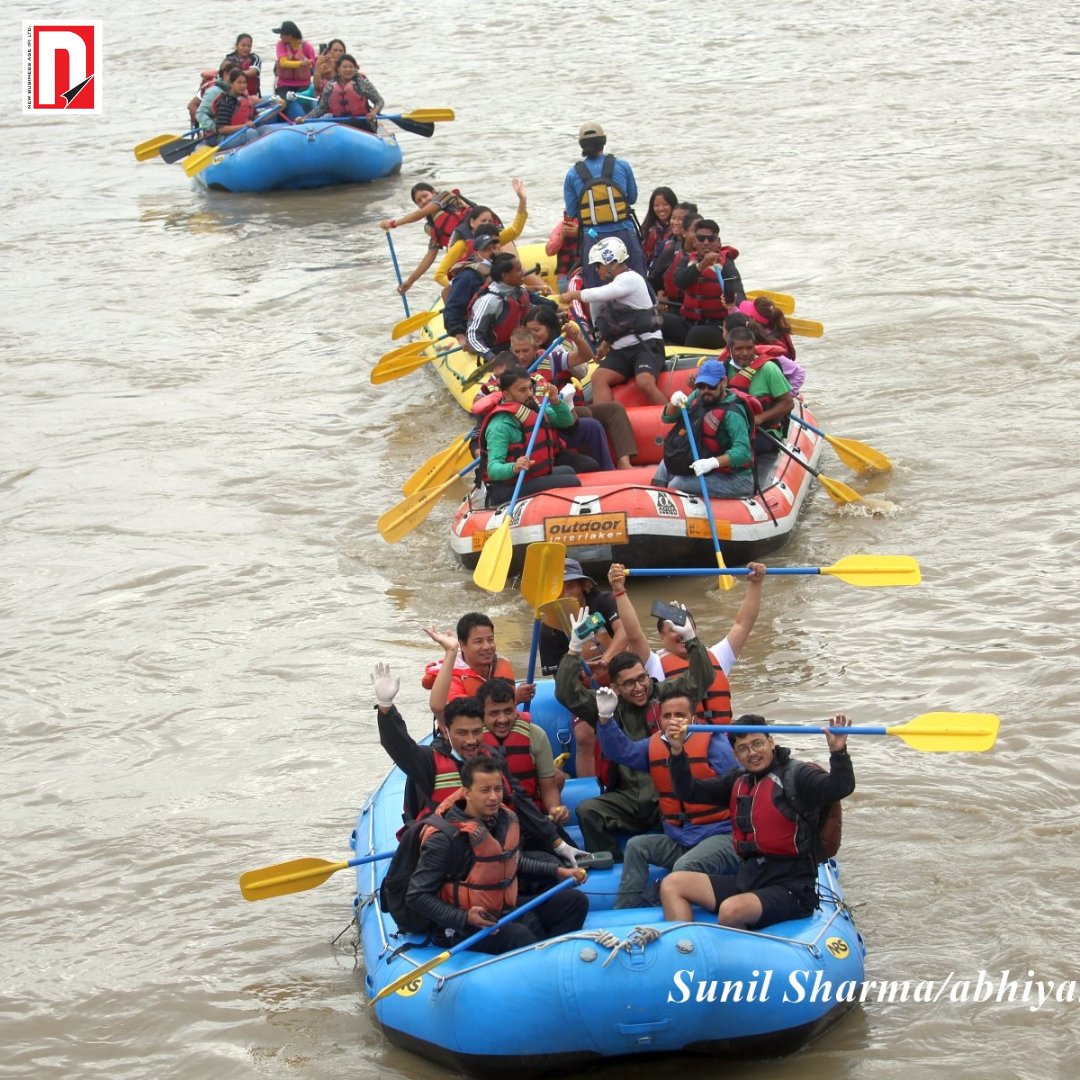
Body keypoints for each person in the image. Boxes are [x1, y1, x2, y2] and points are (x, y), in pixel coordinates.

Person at [373, 664, 586, 864]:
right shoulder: (428, 761)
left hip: (496, 843)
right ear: (446, 733)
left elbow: (520, 801)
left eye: (476, 732)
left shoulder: (491, 757)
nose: (471, 741)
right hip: (451, 852)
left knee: (556, 858)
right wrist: (386, 709)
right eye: (462, 733)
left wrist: (559, 845)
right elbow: (400, 747)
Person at [660, 714, 854, 930]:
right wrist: (677, 751)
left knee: (730, 910)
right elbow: (688, 791)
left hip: (792, 889)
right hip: (750, 881)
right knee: (672, 884)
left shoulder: (797, 776)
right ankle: (686, 952)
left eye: (757, 743)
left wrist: (838, 752)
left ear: (771, 742)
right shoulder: (738, 780)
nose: (752, 753)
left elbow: (840, 787)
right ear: (736, 754)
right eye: (743, 748)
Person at [554, 609, 715, 860]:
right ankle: (611, 864)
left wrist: (691, 638)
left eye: (642, 679)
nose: (639, 688)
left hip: (668, 795)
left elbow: (702, 677)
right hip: (628, 797)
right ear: (615, 687)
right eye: (629, 683)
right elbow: (567, 693)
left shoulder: (667, 695)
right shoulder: (606, 704)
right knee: (588, 810)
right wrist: (574, 650)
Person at [404, 757, 588, 954]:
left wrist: (559, 871)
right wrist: (464, 917)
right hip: (462, 924)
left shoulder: (500, 820)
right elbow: (417, 895)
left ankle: (551, 958)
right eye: (485, 790)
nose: (494, 797)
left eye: (498, 789)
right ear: (467, 793)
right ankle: (538, 960)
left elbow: (511, 861)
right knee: (521, 936)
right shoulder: (444, 839)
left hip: (503, 908)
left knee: (574, 902)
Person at [596, 683, 740, 907]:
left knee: (684, 866)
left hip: (721, 836)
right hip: (681, 837)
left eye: (680, 715)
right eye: (667, 715)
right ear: (660, 719)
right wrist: (605, 718)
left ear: (693, 717)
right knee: (636, 846)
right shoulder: (654, 745)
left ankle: (655, 903)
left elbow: (740, 789)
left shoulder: (715, 744)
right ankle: (624, 911)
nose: (673, 720)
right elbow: (622, 752)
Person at [523, 306, 637, 470]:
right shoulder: (519, 361)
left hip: (568, 406)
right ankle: (591, 464)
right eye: (528, 331)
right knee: (585, 416)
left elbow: (583, 368)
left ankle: (623, 462)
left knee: (614, 409)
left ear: (549, 328)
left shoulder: (556, 351)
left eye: (537, 330)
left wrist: (575, 338)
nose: (532, 335)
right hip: (553, 412)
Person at [560, 237, 666, 407]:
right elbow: (619, 324)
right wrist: (603, 346)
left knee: (644, 381)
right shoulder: (616, 288)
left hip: (646, 346)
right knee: (598, 377)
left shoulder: (630, 279)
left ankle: (673, 418)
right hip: (622, 351)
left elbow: (599, 294)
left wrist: (574, 295)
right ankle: (605, 420)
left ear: (611, 264)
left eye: (598, 265)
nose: (596, 271)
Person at [477, 368, 595, 506]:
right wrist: (514, 467)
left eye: (529, 388)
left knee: (569, 470)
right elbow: (493, 470)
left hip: (527, 477)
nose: (529, 394)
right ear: (508, 395)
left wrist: (556, 401)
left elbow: (566, 421)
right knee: (572, 481)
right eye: (522, 390)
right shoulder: (500, 425)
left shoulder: (532, 409)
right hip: (506, 489)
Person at [651, 358, 756, 498]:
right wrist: (673, 404)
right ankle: (654, 501)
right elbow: (668, 418)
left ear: (723, 382)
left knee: (677, 484)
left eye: (711, 386)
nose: (705, 391)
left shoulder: (733, 414)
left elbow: (743, 453)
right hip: (705, 461)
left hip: (735, 478)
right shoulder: (697, 396)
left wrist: (712, 463)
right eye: (701, 386)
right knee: (665, 465)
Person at [563, 122, 647, 286]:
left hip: (594, 237)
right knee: (638, 281)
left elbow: (572, 211)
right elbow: (632, 198)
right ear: (604, 142)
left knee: (597, 287)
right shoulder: (622, 165)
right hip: (625, 232)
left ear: (581, 145)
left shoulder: (572, 174)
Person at [476, 677, 568, 822]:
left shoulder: (536, 735)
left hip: (527, 814)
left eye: (508, 711)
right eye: (494, 713)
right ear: (481, 714)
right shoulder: (473, 739)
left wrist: (555, 809)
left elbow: (549, 788)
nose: (502, 720)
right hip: (486, 819)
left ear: (515, 707)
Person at [421, 614, 534, 712]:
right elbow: (466, 715)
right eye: (479, 641)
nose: (487, 647)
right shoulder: (452, 676)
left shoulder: (501, 663)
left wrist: (518, 697)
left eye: (490, 640)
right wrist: (516, 699)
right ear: (463, 645)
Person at [538, 558, 630, 678]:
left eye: (570, 586)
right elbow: (560, 677)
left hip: (618, 667)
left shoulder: (603, 601)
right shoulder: (548, 626)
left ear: (585, 586)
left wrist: (605, 661)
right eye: (559, 588)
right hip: (584, 678)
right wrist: (583, 673)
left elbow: (625, 631)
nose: (565, 594)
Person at [379, 184, 478, 294]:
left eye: (425, 195)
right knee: (444, 285)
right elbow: (430, 256)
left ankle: (463, 290)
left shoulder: (445, 196)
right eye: (419, 201)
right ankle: (463, 290)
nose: (424, 201)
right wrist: (410, 282)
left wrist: (393, 223)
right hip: (464, 254)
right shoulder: (433, 226)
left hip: (478, 240)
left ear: (433, 192)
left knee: (438, 275)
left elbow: (420, 214)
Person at [433, 180, 528, 288]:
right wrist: (458, 288)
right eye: (483, 221)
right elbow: (439, 275)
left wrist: (522, 199)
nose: (487, 224)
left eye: (489, 221)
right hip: (469, 285)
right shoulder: (461, 245)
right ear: (472, 222)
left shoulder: (494, 239)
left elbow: (515, 230)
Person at [670, 221, 745, 349]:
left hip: (718, 327)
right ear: (694, 242)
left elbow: (739, 297)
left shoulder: (726, 266)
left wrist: (730, 299)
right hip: (690, 322)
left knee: (696, 334)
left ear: (718, 243)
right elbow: (679, 282)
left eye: (711, 239)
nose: (706, 243)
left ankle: (685, 363)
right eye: (700, 238)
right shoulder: (686, 261)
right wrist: (702, 265)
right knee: (661, 321)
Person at [724, 326, 795, 455]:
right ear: (729, 351)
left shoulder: (769, 369)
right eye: (739, 349)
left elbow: (788, 403)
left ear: (754, 347)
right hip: (732, 429)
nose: (745, 353)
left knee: (746, 448)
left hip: (764, 431)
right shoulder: (723, 369)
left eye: (749, 348)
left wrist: (760, 418)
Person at [464, 254, 533, 364]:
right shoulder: (489, 301)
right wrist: (490, 356)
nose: (523, 273)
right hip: (497, 352)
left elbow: (529, 314)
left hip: (519, 347)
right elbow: (472, 335)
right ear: (505, 276)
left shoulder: (520, 291)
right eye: (519, 270)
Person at [444, 229, 501, 346]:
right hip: (479, 328)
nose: (493, 253)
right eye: (487, 250)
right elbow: (452, 309)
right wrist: (460, 337)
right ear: (476, 254)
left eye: (495, 248)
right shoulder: (468, 276)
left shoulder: (504, 270)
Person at [299, 53, 383, 129]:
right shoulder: (330, 86)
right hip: (339, 125)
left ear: (355, 69)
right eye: (344, 67)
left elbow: (379, 101)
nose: (348, 69)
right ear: (338, 69)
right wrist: (305, 119)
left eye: (351, 67)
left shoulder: (362, 83)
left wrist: (374, 112)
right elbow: (321, 108)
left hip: (362, 123)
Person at [196, 68, 261, 146]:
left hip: (243, 130)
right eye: (239, 83)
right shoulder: (226, 101)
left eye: (244, 83)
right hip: (225, 138)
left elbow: (256, 117)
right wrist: (244, 126)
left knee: (266, 128)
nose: (242, 86)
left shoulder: (246, 99)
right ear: (231, 84)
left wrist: (277, 108)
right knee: (250, 133)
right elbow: (221, 129)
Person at [272, 21, 317, 99]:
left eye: (282, 34)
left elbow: (313, 64)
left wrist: (308, 63)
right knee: (284, 102)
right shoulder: (281, 45)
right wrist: (301, 63)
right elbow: (283, 63)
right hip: (284, 85)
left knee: (303, 101)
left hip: (304, 85)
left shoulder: (307, 47)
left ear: (290, 35)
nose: (280, 37)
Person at [639, 186, 678, 268]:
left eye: (665, 204)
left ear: (673, 205)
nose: (661, 209)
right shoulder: (647, 229)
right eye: (656, 205)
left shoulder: (679, 228)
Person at [546, 213, 581, 293]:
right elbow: (549, 251)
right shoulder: (563, 225)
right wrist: (562, 236)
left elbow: (600, 240)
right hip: (567, 277)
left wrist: (580, 232)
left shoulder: (593, 224)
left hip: (590, 273)